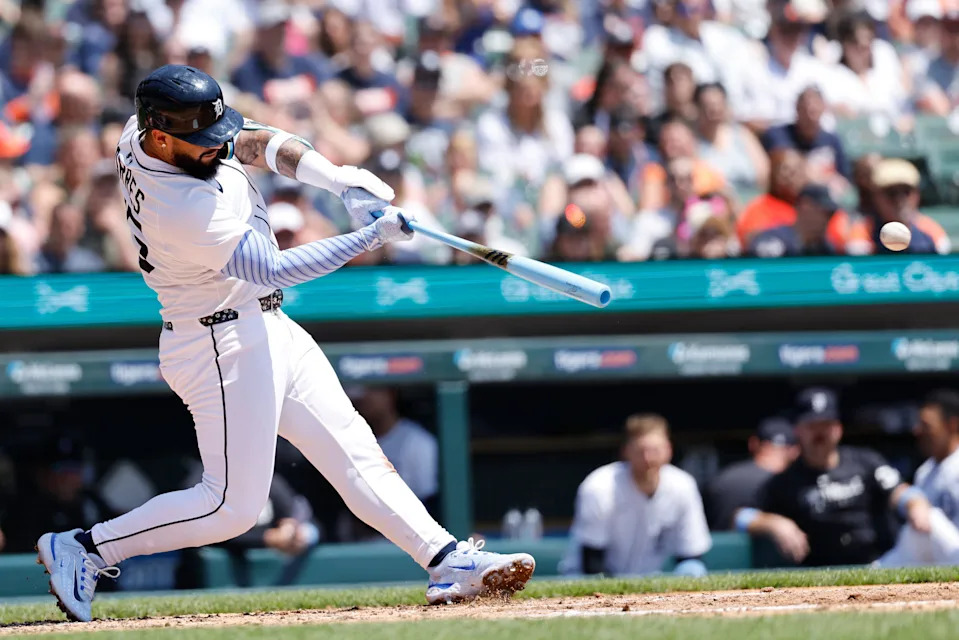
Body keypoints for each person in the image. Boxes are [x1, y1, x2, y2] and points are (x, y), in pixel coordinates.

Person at [36, 65, 534, 622]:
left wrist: (338, 178)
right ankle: (84, 547)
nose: (216, 146)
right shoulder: (174, 204)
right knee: (231, 508)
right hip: (218, 342)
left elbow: (253, 140)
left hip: (264, 327)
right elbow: (268, 269)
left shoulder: (151, 133)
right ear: (159, 136)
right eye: (200, 140)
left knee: (354, 451)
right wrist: (369, 237)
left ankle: (447, 560)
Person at [736, 388, 931, 567]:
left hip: (880, 561)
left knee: (933, 518)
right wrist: (774, 523)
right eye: (812, 425)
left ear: (838, 429)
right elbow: (741, 517)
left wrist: (914, 503)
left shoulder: (865, 461)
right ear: (798, 430)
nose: (819, 433)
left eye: (826, 425)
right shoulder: (786, 480)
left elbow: (898, 490)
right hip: (821, 571)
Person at [562, 414, 711, 577]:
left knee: (694, 571)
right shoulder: (600, 486)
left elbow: (690, 553)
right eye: (641, 451)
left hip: (651, 579)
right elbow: (592, 562)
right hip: (588, 576)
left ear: (669, 449)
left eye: (655, 450)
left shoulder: (683, 485)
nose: (648, 459)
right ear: (626, 451)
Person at [877, 390, 959, 567]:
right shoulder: (925, 471)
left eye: (926, 425)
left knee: (929, 515)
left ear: (952, 425)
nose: (917, 431)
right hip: (935, 557)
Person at [706, 418, 798, 530]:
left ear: (753, 444)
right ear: (795, 451)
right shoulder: (793, 486)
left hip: (721, 547)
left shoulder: (721, 479)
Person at [846, 158, 951, 255]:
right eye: (892, 193)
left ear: (917, 195)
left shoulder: (932, 232)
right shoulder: (862, 233)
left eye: (906, 192)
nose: (900, 200)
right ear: (876, 197)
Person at [761, 87, 851, 183]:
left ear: (823, 109)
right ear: (797, 109)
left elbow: (844, 176)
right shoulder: (779, 135)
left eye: (814, 111)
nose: (810, 117)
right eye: (805, 110)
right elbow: (783, 165)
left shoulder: (831, 140)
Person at [748, 183, 841, 257]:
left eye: (831, 214)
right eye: (825, 212)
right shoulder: (774, 240)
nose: (828, 219)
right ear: (805, 206)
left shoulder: (825, 248)